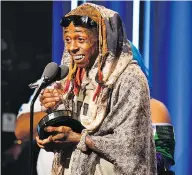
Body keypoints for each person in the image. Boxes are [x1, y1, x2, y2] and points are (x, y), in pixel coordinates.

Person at [36, 3, 156, 175]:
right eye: (68, 40)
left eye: (80, 39)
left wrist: (78, 139)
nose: (71, 48)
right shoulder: (73, 75)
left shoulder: (129, 78)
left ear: (103, 40)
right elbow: (77, 126)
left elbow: (131, 148)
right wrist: (54, 122)